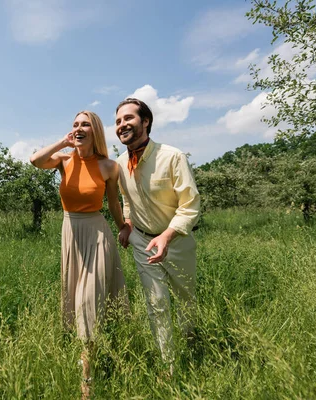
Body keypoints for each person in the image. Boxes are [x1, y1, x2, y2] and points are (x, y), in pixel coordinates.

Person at [30, 110, 128, 398]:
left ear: (95, 130)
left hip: (97, 235)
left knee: (89, 302)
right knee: (76, 299)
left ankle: (87, 379)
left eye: (85, 124)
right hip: (70, 233)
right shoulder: (64, 160)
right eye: (75, 124)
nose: (79, 128)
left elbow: (113, 203)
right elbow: (35, 161)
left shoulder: (109, 166)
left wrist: (123, 228)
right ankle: (88, 355)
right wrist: (63, 143)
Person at [114, 98, 201, 366]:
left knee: (187, 300)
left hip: (176, 241)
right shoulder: (119, 164)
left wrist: (167, 236)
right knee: (157, 304)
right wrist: (128, 224)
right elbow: (127, 199)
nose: (121, 125)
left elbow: (190, 205)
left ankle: (193, 348)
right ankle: (169, 365)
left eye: (128, 118)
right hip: (142, 241)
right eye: (117, 121)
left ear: (146, 121)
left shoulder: (172, 157)